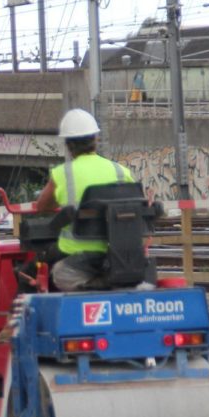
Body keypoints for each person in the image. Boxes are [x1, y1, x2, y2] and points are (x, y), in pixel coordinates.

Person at [34, 109, 136, 291]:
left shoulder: (62, 174)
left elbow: (42, 206)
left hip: (73, 253)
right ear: (96, 139)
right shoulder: (122, 172)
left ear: (68, 145)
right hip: (118, 253)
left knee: (32, 268)